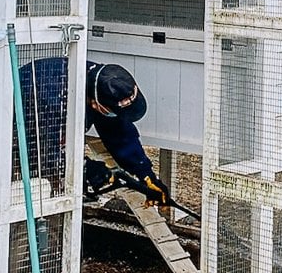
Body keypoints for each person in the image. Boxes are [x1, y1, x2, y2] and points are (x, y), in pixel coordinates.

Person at [17, 55, 171, 206]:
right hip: (14, 137)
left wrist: (146, 174)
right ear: (95, 105)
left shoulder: (104, 84)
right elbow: (43, 152)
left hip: (44, 136)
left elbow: (119, 133)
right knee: (30, 197)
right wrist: (86, 168)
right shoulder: (55, 97)